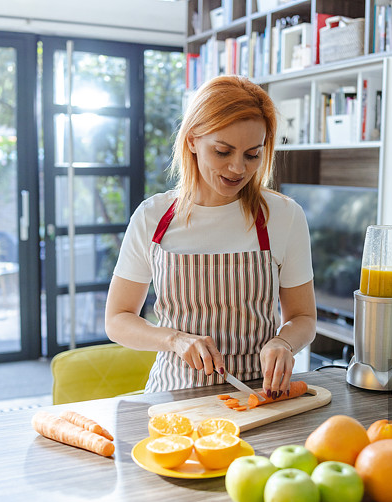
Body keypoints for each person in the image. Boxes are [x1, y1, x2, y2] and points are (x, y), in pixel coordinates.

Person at [105, 75, 315, 398]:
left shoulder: (285, 217)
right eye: (222, 151)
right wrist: (174, 339)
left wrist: (284, 341)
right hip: (175, 398)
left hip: (259, 398)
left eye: (252, 154)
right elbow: (117, 319)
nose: (237, 169)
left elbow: (303, 317)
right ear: (192, 140)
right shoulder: (152, 218)